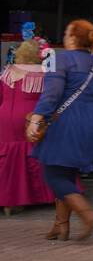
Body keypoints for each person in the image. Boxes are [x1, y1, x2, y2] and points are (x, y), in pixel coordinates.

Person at [25, 20, 93, 241]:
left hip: (65, 123)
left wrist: (36, 118)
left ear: (72, 38)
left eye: (66, 32)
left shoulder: (59, 59)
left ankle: (88, 214)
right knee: (68, 173)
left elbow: (51, 94)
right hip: (89, 123)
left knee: (52, 174)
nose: (64, 35)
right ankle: (61, 226)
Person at [0, 38, 56, 214]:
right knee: (37, 153)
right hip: (30, 118)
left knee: (7, 158)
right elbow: (49, 100)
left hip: (4, 117)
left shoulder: (8, 71)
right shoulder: (44, 73)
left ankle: (8, 200)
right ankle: (45, 195)